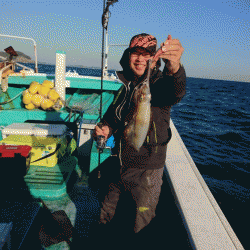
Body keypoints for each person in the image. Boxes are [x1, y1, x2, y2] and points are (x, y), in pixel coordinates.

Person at [93, 33, 186, 235]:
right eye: (135, 53)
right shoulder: (125, 86)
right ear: (128, 56)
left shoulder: (158, 85)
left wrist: (174, 67)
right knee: (106, 218)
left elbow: (175, 91)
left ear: (155, 59)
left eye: (146, 55)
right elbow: (114, 117)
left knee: (139, 226)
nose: (139, 59)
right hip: (117, 165)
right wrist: (106, 128)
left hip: (146, 172)